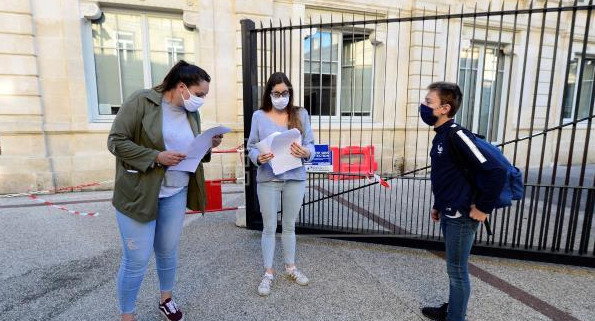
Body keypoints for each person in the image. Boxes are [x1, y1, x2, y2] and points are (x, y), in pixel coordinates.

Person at [107, 60, 222, 321]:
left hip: (175, 192)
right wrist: (156, 156)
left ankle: (166, 300)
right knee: (136, 259)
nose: (202, 100)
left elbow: (190, 152)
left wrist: (208, 144)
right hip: (139, 194)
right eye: (200, 94)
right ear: (182, 87)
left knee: (168, 250)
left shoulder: (190, 112)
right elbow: (115, 141)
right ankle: (127, 315)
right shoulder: (141, 101)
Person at [420, 82, 507, 321]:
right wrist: (438, 204)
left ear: (445, 108)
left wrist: (483, 207)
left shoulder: (457, 134)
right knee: (454, 269)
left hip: (461, 215)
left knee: (457, 271)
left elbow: (496, 171)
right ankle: (452, 310)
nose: (423, 106)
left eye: (429, 102)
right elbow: (448, 176)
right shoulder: (441, 136)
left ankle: (456, 317)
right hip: (448, 210)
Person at [246, 72, 316, 296]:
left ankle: (291, 267)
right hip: (268, 178)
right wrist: (258, 157)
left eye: (285, 93)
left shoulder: (300, 114)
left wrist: (306, 152)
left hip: (295, 177)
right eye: (276, 93)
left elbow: (311, 145)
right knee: (268, 227)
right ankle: (268, 273)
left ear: (290, 93)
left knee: (289, 225)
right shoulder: (258, 116)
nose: (281, 97)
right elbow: (251, 147)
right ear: (269, 93)